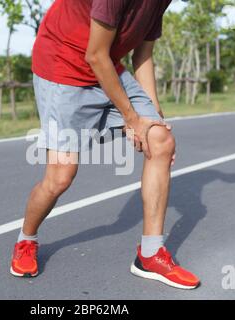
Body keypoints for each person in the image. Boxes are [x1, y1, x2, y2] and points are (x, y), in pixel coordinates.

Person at [10, 0, 200, 289]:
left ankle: (150, 255)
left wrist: (153, 115)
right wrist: (131, 118)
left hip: (107, 68)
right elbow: (95, 55)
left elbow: (143, 54)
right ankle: (26, 240)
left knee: (160, 140)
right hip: (63, 67)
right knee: (60, 177)